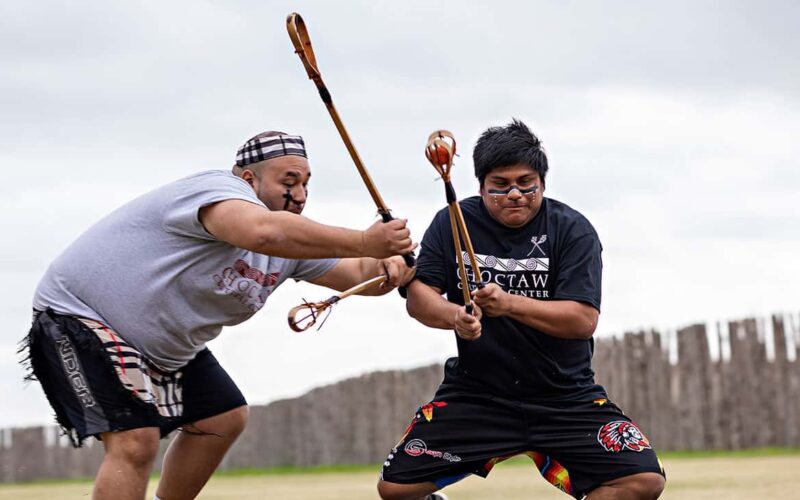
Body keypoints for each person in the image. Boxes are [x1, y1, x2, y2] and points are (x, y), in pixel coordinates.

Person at [22, 131, 416, 500]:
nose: (299, 195)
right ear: (249, 178)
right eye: (288, 181)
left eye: (306, 184)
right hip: (79, 317)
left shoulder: (291, 244)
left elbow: (362, 275)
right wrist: (365, 241)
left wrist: (393, 264)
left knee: (222, 418)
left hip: (163, 349)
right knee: (135, 439)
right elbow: (262, 232)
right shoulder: (216, 190)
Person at [377, 120, 665, 500]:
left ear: (542, 184)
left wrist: (508, 304)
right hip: (479, 393)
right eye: (500, 185)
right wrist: (455, 318)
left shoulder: (573, 230)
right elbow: (419, 296)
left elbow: (582, 320)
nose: (515, 194)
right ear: (481, 186)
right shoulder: (452, 222)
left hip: (565, 396)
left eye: (526, 183)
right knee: (396, 489)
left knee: (643, 480)